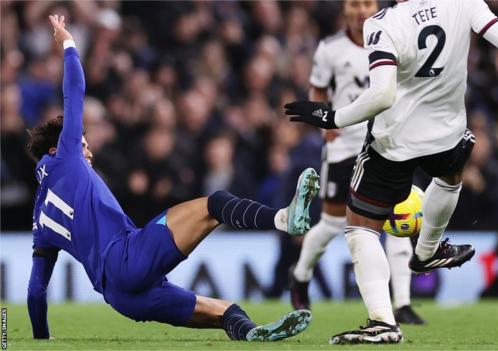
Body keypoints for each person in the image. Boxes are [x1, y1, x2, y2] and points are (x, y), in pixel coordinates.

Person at [286, 0, 498, 344]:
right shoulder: (464, 3)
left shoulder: (383, 23)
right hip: (448, 135)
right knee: (449, 177)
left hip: (394, 141)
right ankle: (428, 250)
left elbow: (383, 95)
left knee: (360, 227)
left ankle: (383, 322)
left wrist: (332, 117)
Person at [27, 15, 320, 342]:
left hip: (122, 299)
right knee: (216, 204)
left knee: (226, 311)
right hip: (127, 257)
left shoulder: (40, 218)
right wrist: (68, 42)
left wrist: (42, 340)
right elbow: (75, 90)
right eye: (84, 144)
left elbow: (36, 290)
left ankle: (252, 333)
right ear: (57, 148)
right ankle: (284, 218)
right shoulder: (66, 157)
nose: (89, 152)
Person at [289, 0, 424, 325]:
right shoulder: (331, 49)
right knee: (335, 224)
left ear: (377, 7)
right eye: (354, 4)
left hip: (386, 143)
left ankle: (402, 301)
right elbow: (318, 87)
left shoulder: (395, 37)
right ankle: (301, 274)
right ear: (344, 10)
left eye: (367, 3)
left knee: (396, 220)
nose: (361, 10)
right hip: (344, 147)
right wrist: (325, 124)